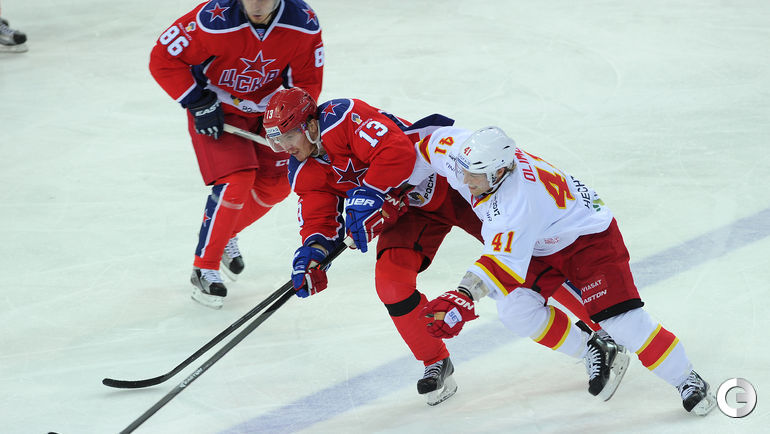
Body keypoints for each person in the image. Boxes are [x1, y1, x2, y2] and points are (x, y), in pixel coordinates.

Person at [262, 88, 627, 406]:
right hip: (409, 212)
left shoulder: (343, 117)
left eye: (288, 136)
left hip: (454, 184)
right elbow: (319, 219)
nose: (284, 147)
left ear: (311, 125)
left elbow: (398, 152)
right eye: (277, 141)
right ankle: (435, 361)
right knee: (391, 285)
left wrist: (371, 191)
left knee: (522, 258)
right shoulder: (303, 169)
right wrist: (313, 254)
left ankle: (606, 326)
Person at [414, 125, 717, 415]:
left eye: (475, 175)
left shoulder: (517, 201)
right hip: (541, 240)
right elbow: (423, 147)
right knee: (515, 311)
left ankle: (686, 379)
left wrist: (464, 294)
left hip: (588, 239)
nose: (465, 180)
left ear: (500, 171)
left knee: (622, 322)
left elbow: (500, 262)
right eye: (464, 169)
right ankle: (595, 350)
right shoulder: (459, 153)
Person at [149, 0, 324, 309]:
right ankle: (204, 267)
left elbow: (306, 81)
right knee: (237, 179)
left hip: (271, 114)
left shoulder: (303, 23)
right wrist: (197, 100)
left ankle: (225, 232)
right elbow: (163, 58)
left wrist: (294, 120)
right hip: (218, 110)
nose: (256, 4)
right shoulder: (211, 19)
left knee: (277, 185)